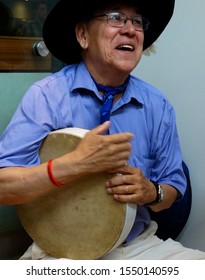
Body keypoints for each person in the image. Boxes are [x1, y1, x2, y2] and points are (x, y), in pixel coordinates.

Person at [0, 0, 205, 260]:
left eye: (137, 21)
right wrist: (75, 164)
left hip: (138, 246)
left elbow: (172, 188)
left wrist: (151, 191)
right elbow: (3, 187)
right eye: (116, 17)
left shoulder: (157, 105)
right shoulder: (47, 96)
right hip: (59, 251)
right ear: (83, 35)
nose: (131, 29)